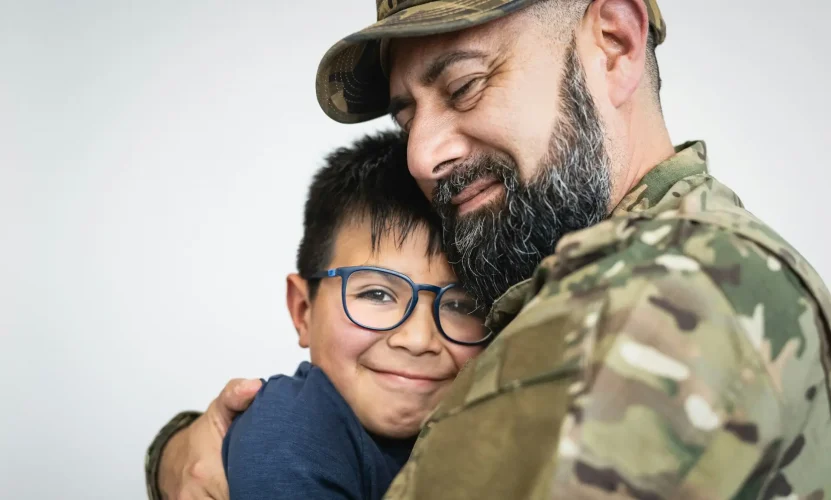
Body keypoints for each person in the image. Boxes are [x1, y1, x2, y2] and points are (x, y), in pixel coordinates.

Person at [145, 1, 831, 499]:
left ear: (615, 44)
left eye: (464, 86)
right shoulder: (559, 278)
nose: (421, 155)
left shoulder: (658, 295)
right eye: (406, 114)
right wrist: (192, 449)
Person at [221, 130, 487, 499]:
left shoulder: (482, 426)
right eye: (377, 294)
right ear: (303, 311)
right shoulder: (289, 430)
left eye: (459, 305)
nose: (418, 339)